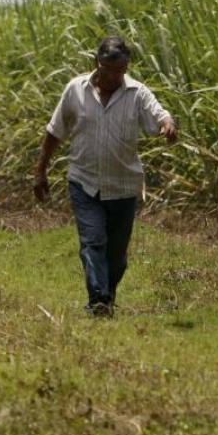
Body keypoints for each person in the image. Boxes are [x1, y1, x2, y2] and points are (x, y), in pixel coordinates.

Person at [33, 36, 178, 317]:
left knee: (117, 257)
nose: (114, 76)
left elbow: (160, 114)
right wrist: (40, 171)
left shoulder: (137, 93)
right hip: (84, 182)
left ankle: (106, 297)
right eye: (108, 69)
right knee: (93, 241)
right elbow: (54, 132)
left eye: (121, 70)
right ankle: (98, 299)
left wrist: (168, 125)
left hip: (123, 186)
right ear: (96, 64)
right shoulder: (75, 90)